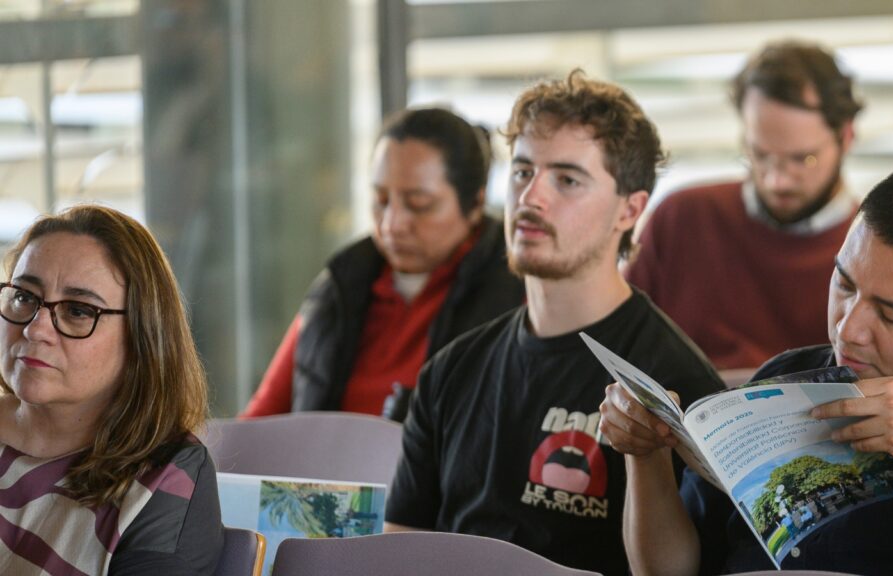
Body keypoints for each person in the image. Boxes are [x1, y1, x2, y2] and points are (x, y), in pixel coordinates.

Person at [600, 159, 893, 575]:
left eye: (892, 314)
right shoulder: (781, 376)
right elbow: (665, 570)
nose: (848, 329)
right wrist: (647, 453)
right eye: (844, 284)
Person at [384, 70, 724, 575]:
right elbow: (397, 552)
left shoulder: (678, 384)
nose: (530, 198)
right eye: (523, 172)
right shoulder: (450, 370)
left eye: (566, 179)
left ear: (629, 210)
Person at [241, 107, 524, 420]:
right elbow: (259, 421)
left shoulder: (517, 295)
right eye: (380, 200)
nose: (392, 224)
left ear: (475, 205)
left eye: (419, 204)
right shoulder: (340, 287)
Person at [0, 205, 223, 574]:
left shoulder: (163, 475)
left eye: (78, 310)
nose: (35, 329)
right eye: (24, 296)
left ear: (141, 336)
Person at [627, 40, 863, 372]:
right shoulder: (681, 219)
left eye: (802, 159)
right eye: (760, 155)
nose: (777, 181)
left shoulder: (871, 251)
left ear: (846, 137)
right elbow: (620, 345)